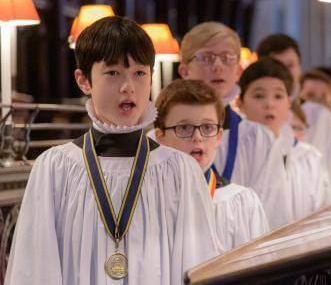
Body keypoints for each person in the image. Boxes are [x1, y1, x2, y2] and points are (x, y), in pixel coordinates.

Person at [5, 16, 222, 285]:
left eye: (139, 73)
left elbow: (199, 265)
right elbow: (35, 268)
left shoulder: (178, 170)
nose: (128, 86)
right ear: (84, 81)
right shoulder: (55, 167)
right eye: (113, 73)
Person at [178, 22, 293, 228]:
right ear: (184, 71)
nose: (218, 66)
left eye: (227, 58)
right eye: (206, 57)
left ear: (238, 71)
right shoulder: (163, 138)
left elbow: (273, 211)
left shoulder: (258, 138)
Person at [153, 79, 269, 250]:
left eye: (207, 127)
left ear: (219, 136)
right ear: (160, 136)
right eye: (184, 128)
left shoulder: (241, 204)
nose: (198, 137)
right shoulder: (148, 203)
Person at [257, 34, 331, 204]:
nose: (284, 72)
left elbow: (327, 174)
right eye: (277, 66)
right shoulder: (255, 116)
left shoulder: (317, 115)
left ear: (300, 68)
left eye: (290, 65)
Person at [238, 58, 328, 220]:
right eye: (259, 96)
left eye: (278, 96)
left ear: (289, 103)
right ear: (240, 103)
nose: (269, 104)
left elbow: (318, 213)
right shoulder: (231, 151)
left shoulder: (308, 157)